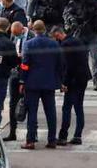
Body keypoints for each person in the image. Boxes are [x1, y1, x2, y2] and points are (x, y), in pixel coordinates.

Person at [20, 20, 63, 150]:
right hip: (49, 83)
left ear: (33, 30)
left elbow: (25, 64)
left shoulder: (28, 44)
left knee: (32, 112)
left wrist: (22, 81)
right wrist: (59, 81)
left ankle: (30, 140)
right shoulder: (54, 44)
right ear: (44, 29)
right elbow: (60, 65)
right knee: (50, 112)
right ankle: (52, 140)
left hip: (32, 83)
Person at [52, 26, 91, 146]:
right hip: (83, 78)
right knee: (79, 107)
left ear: (58, 34)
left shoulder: (65, 46)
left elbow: (67, 67)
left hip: (73, 80)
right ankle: (78, 135)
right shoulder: (76, 40)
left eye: (55, 38)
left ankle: (63, 136)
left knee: (67, 108)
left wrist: (64, 83)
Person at [5, 21, 35, 142]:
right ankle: (12, 132)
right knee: (13, 103)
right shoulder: (14, 35)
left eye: (18, 34)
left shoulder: (32, 36)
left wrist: (24, 55)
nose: (16, 37)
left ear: (22, 30)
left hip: (28, 73)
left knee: (29, 103)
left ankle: (32, 133)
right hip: (15, 72)